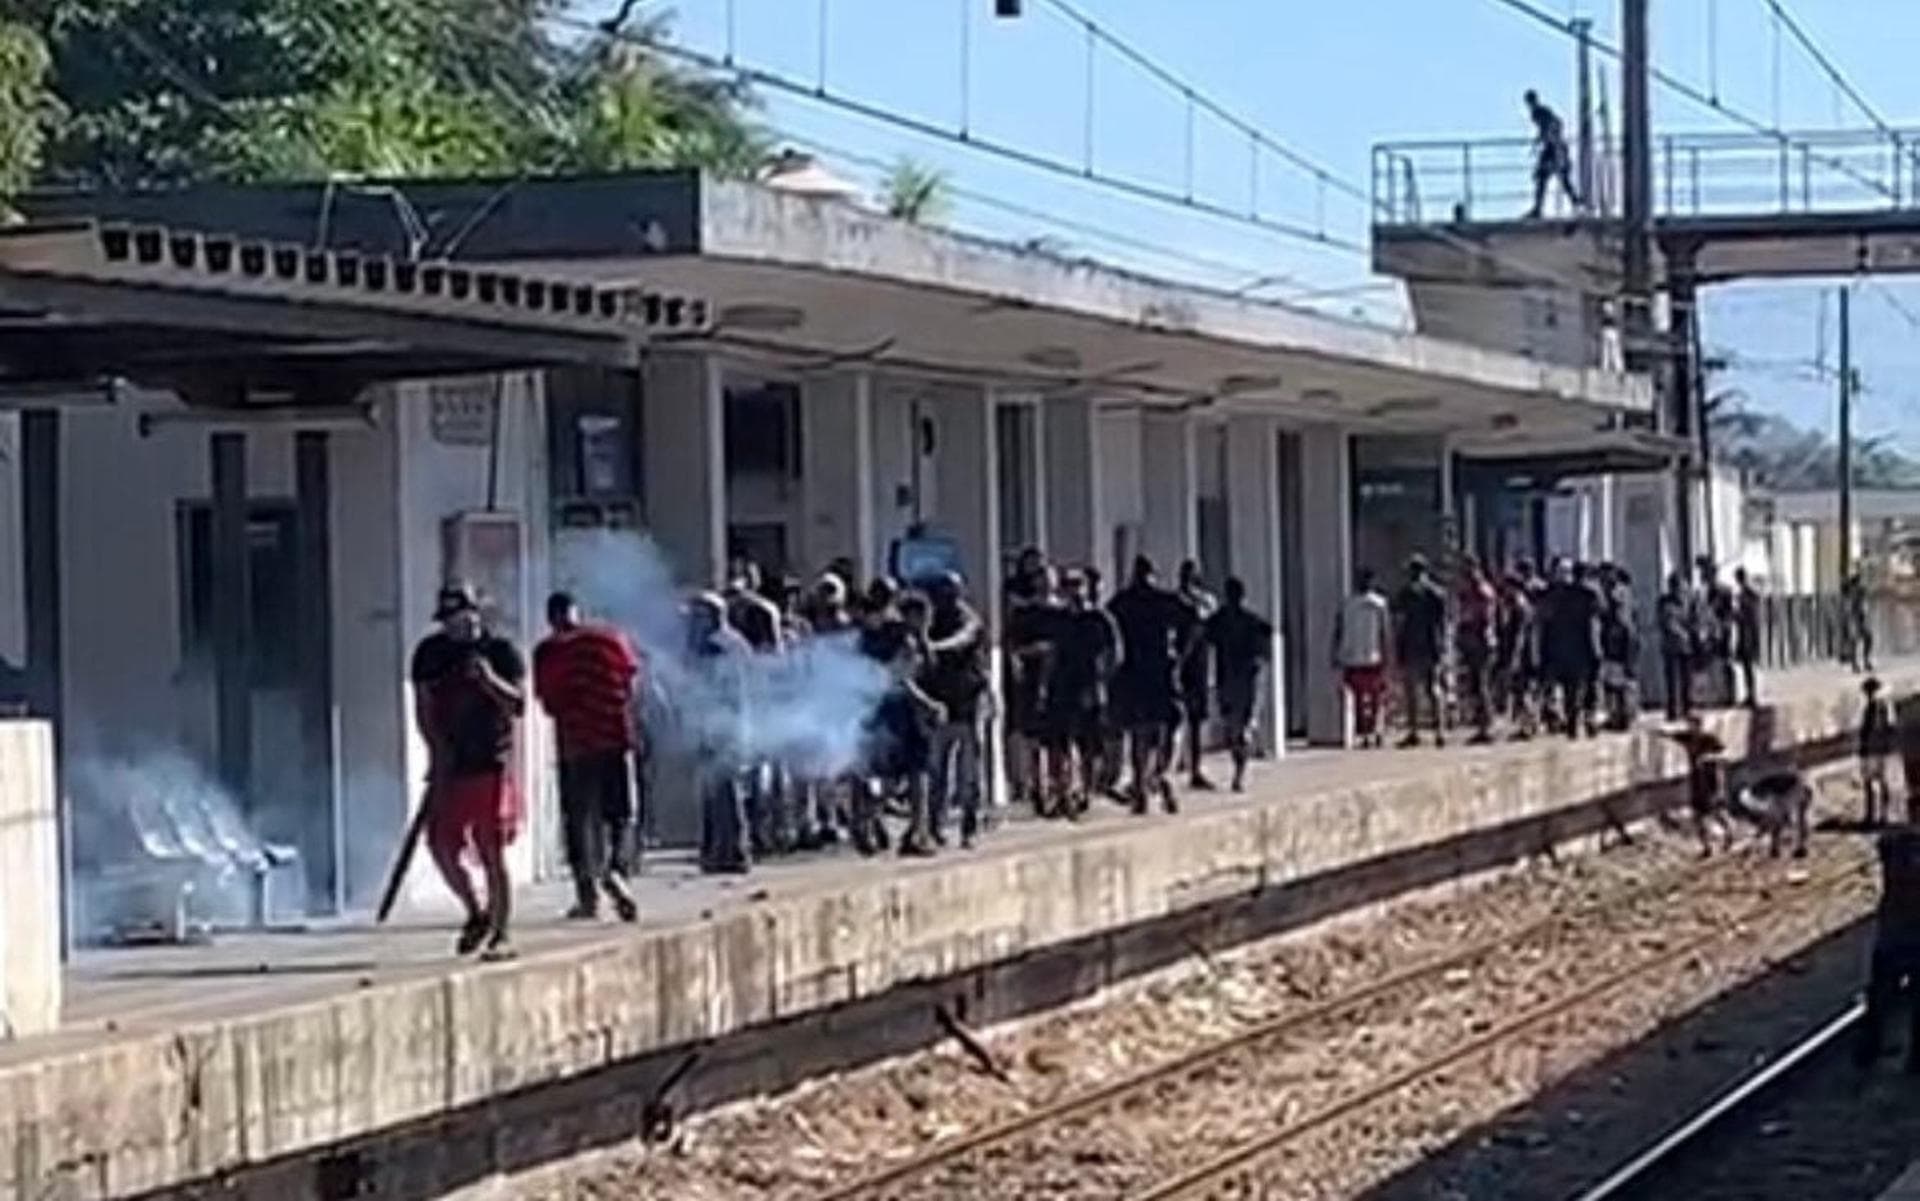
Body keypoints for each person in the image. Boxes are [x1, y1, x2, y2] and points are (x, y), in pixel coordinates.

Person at [409, 585, 527, 960]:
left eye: (459, 616)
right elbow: (423, 708)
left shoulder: (501, 651)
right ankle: (476, 911)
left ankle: (502, 931)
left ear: (476, 613)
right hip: (450, 766)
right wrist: (436, 750)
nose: (453, 625)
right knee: (441, 846)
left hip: (490, 761)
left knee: (491, 849)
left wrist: (489, 680)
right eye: (447, 620)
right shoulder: (430, 654)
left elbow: (518, 704)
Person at [532, 591, 641, 923]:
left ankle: (587, 896)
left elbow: (548, 701)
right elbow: (631, 682)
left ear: (552, 618)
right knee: (621, 815)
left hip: (575, 745)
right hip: (615, 739)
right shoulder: (611, 639)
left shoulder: (548, 651)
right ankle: (617, 871)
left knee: (578, 821)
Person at [1107, 555, 1197, 813]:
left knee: (1139, 732)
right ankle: (1165, 771)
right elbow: (1194, 619)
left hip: (1133, 672)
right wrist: (1181, 653)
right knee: (1173, 724)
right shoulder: (1164, 600)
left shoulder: (1122, 602)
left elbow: (1109, 628)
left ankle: (1140, 786)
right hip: (1162, 670)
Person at [869, 590, 946, 857]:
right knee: (914, 773)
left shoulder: (912, 640)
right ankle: (915, 830)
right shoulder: (904, 640)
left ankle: (914, 828)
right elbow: (901, 678)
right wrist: (927, 704)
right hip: (903, 714)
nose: (928, 621)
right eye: (924, 616)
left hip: (904, 714)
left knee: (912, 773)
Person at [1042, 569, 1119, 815]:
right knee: (1059, 742)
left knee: (1089, 744)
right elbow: (1051, 654)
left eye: (1077, 585)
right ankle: (1062, 791)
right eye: (1067, 585)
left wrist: (1103, 681)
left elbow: (1114, 652)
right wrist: (1044, 685)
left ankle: (1085, 789)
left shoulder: (1098, 618)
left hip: (1089, 685)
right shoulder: (1057, 619)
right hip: (1062, 685)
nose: (1072, 591)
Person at [686, 592, 752, 874]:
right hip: (737, 723)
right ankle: (728, 850)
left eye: (696, 616)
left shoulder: (713, 646)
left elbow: (706, 688)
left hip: (718, 725)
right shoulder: (737, 642)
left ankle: (726, 852)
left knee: (720, 792)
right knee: (727, 790)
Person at [924, 571, 990, 846]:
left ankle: (969, 827)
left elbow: (963, 639)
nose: (943, 601)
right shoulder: (930, 622)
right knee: (936, 772)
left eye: (947, 595)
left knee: (969, 773)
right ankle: (935, 826)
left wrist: (933, 647)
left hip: (969, 704)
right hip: (940, 705)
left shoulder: (969, 619)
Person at [1855, 824, 1920, 1072]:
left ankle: (1868, 1049)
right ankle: (1915, 1057)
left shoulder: (1895, 842)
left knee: (1880, 994)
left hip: (1892, 931)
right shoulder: (1897, 842)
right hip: (1912, 934)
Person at [1204, 577, 1274, 791]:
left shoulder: (1226, 620)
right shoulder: (1242, 620)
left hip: (1235, 680)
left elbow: (1203, 634)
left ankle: (1239, 771)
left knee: (1237, 727)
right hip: (1239, 680)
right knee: (1237, 728)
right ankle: (1239, 771)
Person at [1540, 559, 1600, 739]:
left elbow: (1549, 623)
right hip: (1583, 649)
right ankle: (1586, 721)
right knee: (1586, 686)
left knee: (1571, 689)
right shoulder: (1588, 595)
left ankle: (1573, 722)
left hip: (1564, 649)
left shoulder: (1559, 596)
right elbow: (1592, 624)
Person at [1392, 556, 1447, 749]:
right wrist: (1443, 645)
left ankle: (1414, 731)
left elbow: (1400, 621)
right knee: (1434, 689)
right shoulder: (1437, 593)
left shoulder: (1406, 593)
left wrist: (1398, 647)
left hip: (1412, 646)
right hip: (1432, 645)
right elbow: (1442, 623)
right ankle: (1440, 731)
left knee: (1412, 690)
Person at [1336, 568, 1393, 748]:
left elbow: (1339, 630)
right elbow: (1385, 632)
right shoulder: (1378, 604)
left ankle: (1369, 732)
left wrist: (1336, 653)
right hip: (1370, 656)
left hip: (1356, 657)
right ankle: (1373, 731)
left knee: (1363, 698)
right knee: (1373, 698)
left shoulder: (1349, 604)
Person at [1174, 560, 1218, 790]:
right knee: (1179, 719)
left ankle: (1194, 767)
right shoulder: (1175, 603)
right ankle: (1179, 765)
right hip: (1184, 666)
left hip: (1196, 666)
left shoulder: (1202, 602)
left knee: (1195, 720)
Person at [1455, 557, 1498, 744]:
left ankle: (1486, 727)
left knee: (1481, 684)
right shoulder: (1469, 592)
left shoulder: (1482, 592)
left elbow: (1483, 619)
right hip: (1473, 642)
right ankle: (1482, 724)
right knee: (1476, 684)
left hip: (1481, 642)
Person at [1524, 89, 1581, 218]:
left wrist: (1547, 139)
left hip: (1553, 148)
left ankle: (1539, 208)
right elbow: (1550, 126)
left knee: (1548, 177)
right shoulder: (1541, 112)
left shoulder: (1538, 113)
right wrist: (1539, 140)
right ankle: (1575, 202)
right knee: (1548, 177)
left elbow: (1551, 125)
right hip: (1554, 147)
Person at [1497, 569, 1539, 740]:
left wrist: (1515, 658)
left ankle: (1529, 724)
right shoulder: (1517, 604)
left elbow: (1520, 635)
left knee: (1522, 691)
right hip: (1522, 654)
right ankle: (1527, 724)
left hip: (1523, 656)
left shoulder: (1519, 606)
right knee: (1519, 691)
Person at [1597, 565, 1639, 731]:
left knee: (1618, 682)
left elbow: (1620, 619)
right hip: (1624, 639)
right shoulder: (1626, 593)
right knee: (1620, 680)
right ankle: (1622, 715)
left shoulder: (1616, 594)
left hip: (1619, 640)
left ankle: (1622, 715)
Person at [1657, 572, 1697, 720]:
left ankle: (1687, 708)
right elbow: (1666, 622)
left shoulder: (1688, 601)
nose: (1681, 590)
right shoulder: (1665, 602)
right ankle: (1673, 710)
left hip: (1687, 647)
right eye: (1678, 587)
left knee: (1687, 679)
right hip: (1671, 647)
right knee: (1673, 680)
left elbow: (1694, 619)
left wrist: (1695, 632)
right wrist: (1681, 633)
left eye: (1683, 587)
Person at [1862, 676, 1897, 827]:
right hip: (1877, 749)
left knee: (1872, 783)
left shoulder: (1874, 708)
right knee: (1878, 783)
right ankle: (1881, 814)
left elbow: (1870, 729)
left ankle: (1875, 814)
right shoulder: (1881, 707)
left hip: (1873, 749)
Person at [1732, 567, 1762, 708]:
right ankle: (1750, 695)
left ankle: (1752, 696)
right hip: (1746, 634)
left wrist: (1736, 615)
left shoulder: (1748, 595)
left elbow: (1748, 617)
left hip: (1748, 635)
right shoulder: (1747, 594)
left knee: (1749, 667)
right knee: (1747, 667)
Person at [1844, 570, 1875, 673]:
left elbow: (1863, 603)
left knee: (1866, 638)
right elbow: (1850, 607)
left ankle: (1862, 662)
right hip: (1854, 618)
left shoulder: (1859, 590)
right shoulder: (1852, 591)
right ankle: (1857, 663)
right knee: (1856, 640)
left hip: (1858, 618)